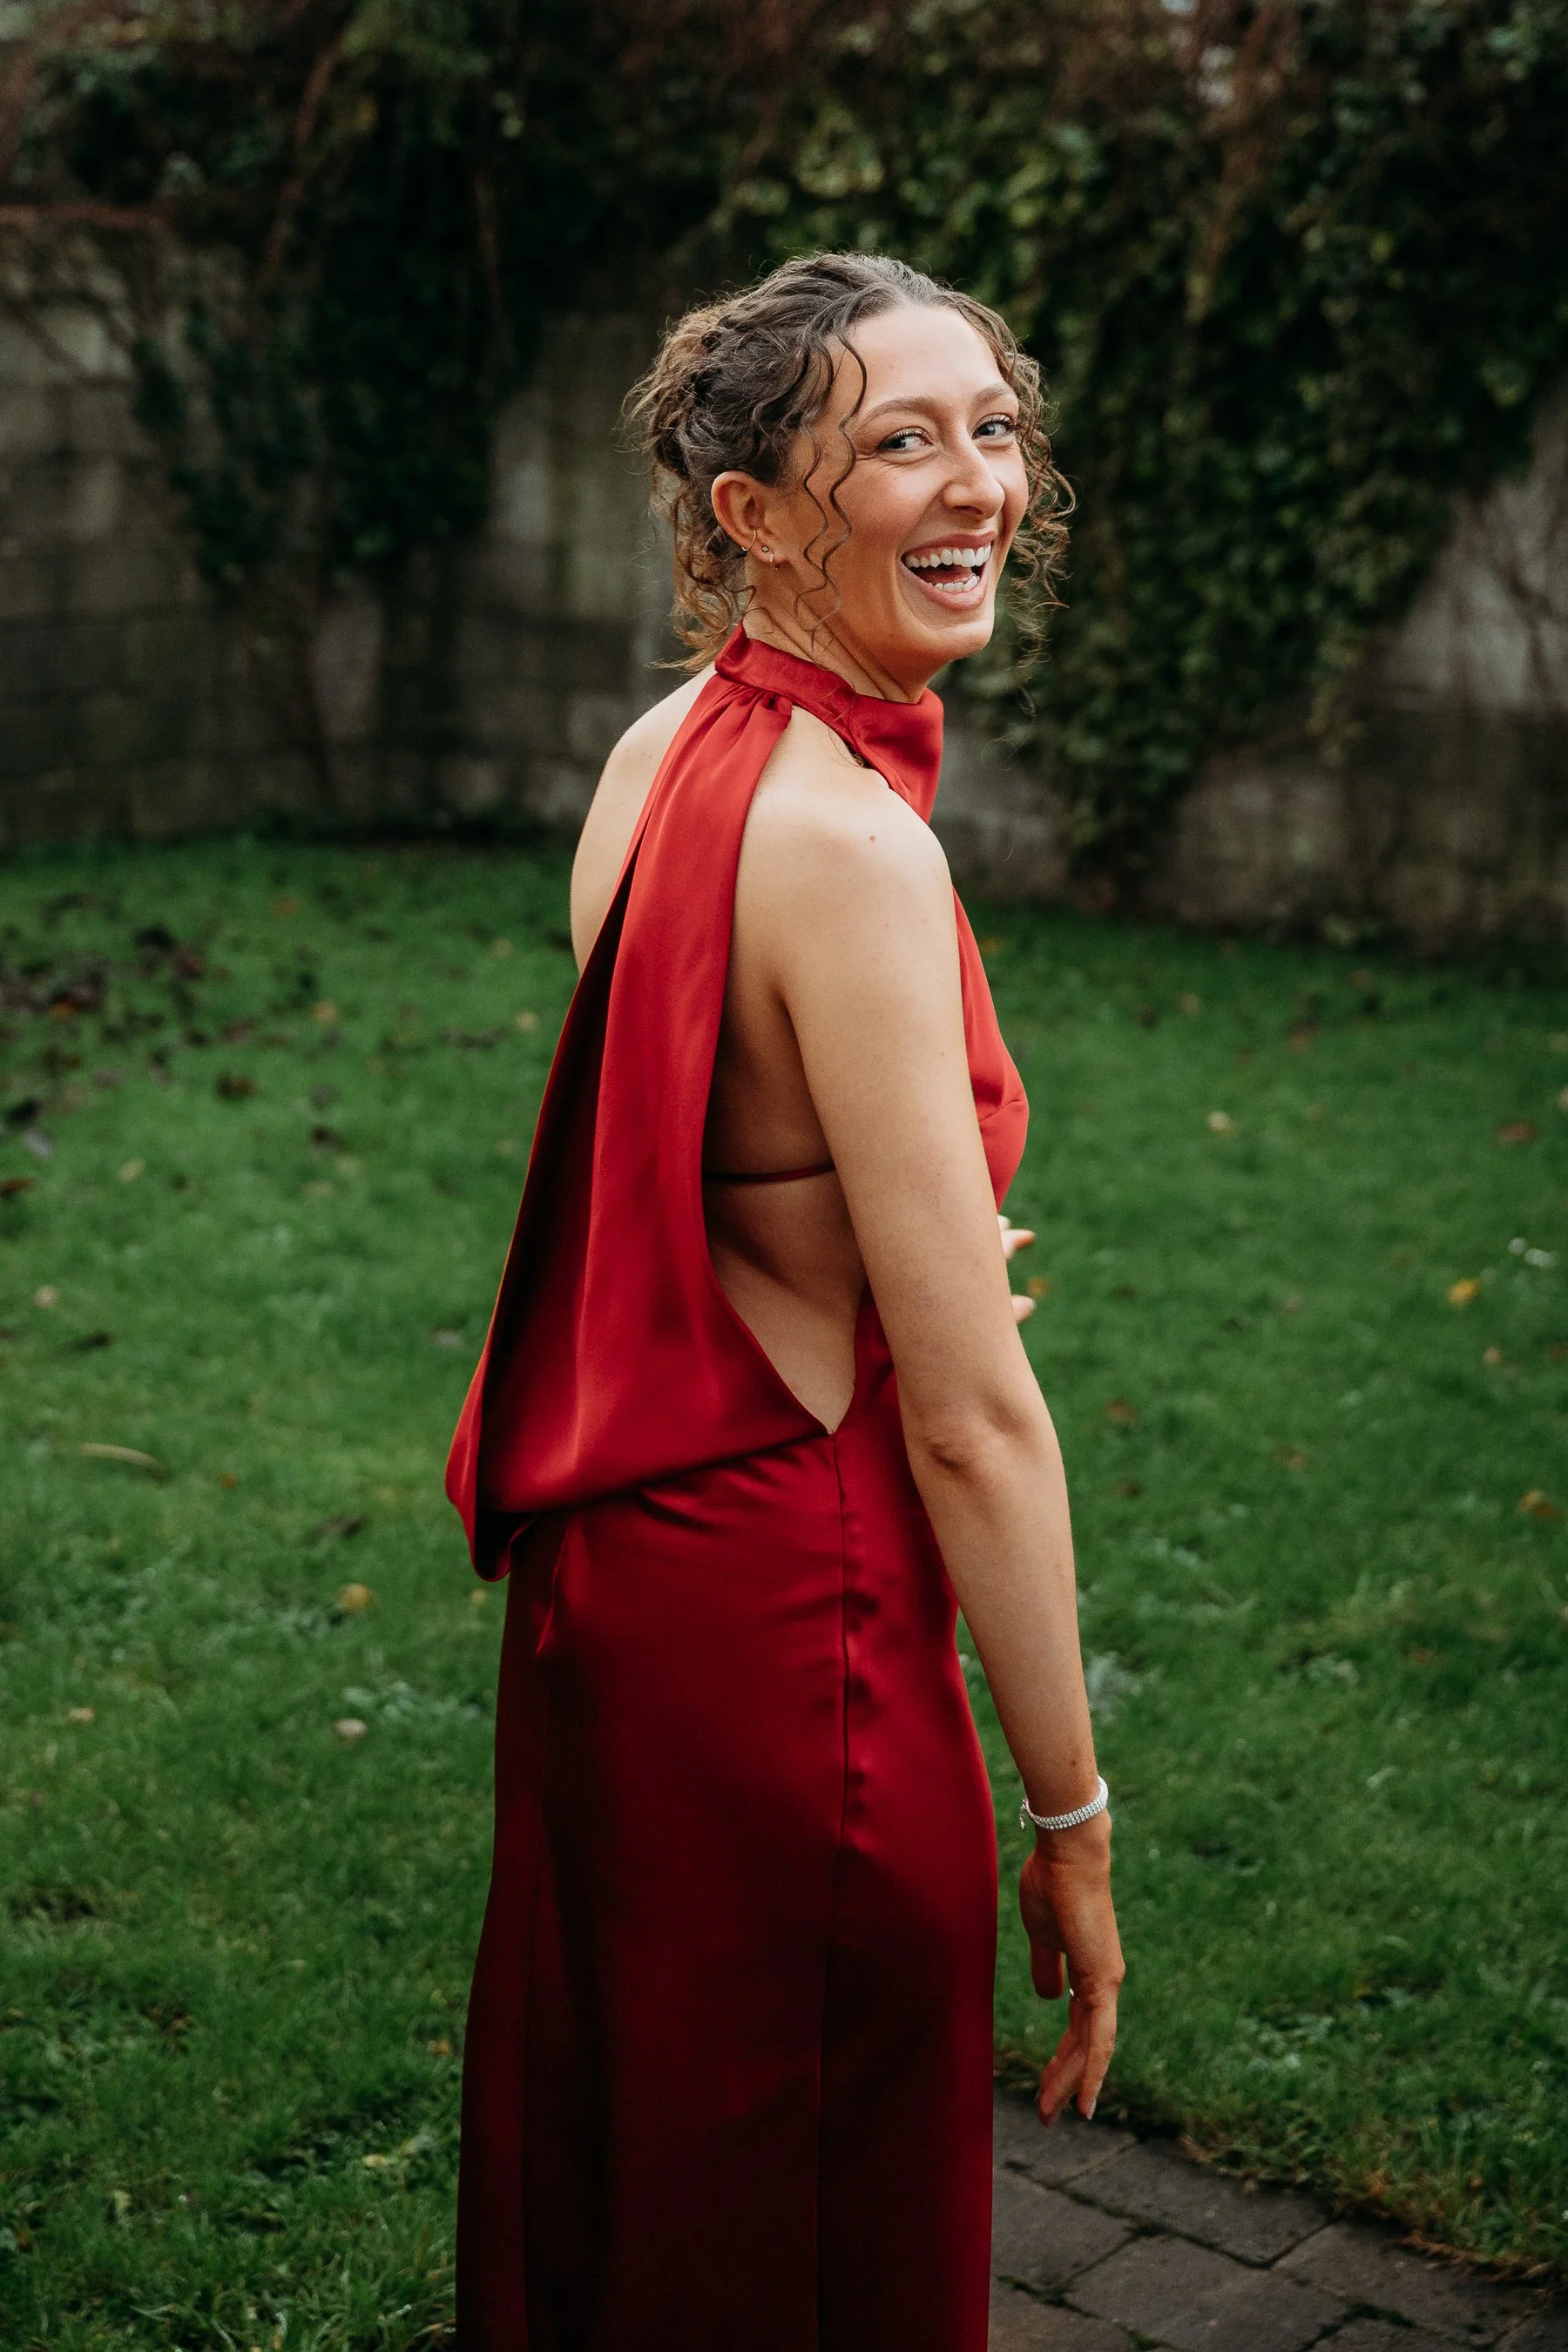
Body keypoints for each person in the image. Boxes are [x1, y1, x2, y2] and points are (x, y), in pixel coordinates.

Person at [446, 250, 1124, 2352]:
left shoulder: (661, 752)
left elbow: (687, 1171)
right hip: (796, 1639)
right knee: (818, 2236)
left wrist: (853, 1245)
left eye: (994, 430)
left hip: (622, 1602)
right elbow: (974, 1421)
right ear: (753, 513)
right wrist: (1073, 1821)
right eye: (899, 441)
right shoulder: (849, 847)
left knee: (638, 2174)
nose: (977, 485)